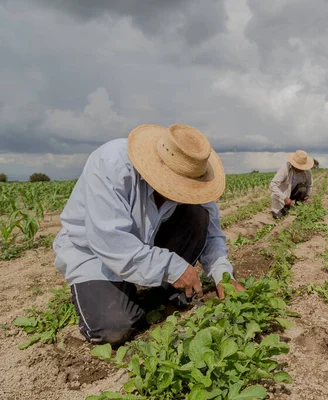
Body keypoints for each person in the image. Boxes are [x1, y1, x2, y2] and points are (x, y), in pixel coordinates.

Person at [53, 124, 245, 345]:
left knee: (198, 214)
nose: (182, 190)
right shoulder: (111, 164)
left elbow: (212, 235)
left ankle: (156, 294)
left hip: (145, 243)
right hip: (95, 252)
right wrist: (173, 267)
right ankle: (110, 294)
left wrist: (223, 276)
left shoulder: (194, 177)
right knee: (114, 328)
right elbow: (110, 242)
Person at [270, 150, 314, 218]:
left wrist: (307, 196)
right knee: (277, 216)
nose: (301, 169)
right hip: (282, 195)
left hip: (294, 193)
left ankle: (298, 206)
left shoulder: (307, 172)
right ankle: (287, 206)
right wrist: (285, 198)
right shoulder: (285, 168)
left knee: (303, 188)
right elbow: (272, 185)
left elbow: (309, 185)